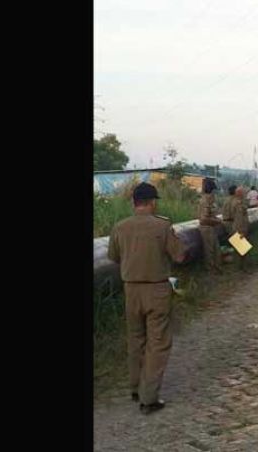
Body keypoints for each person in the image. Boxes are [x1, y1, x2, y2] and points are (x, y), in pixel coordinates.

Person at [107, 182, 188, 415]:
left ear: (134, 203)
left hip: (131, 290)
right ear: (152, 202)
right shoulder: (162, 226)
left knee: (135, 339)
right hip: (156, 291)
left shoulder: (120, 227)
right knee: (158, 342)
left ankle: (135, 388)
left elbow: (113, 256)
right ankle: (149, 398)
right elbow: (180, 255)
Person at [198, 177, 223, 273]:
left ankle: (216, 268)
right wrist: (217, 222)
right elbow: (204, 219)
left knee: (215, 249)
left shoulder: (209, 200)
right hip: (207, 228)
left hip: (211, 227)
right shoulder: (205, 201)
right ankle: (211, 270)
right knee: (210, 250)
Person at [228, 186, 250, 270]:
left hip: (241, 228)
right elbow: (239, 218)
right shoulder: (237, 203)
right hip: (239, 228)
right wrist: (241, 231)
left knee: (243, 249)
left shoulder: (240, 202)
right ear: (238, 193)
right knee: (241, 250)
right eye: (243, 192)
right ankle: (240, 268)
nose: (244, 194)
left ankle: (241, 267)